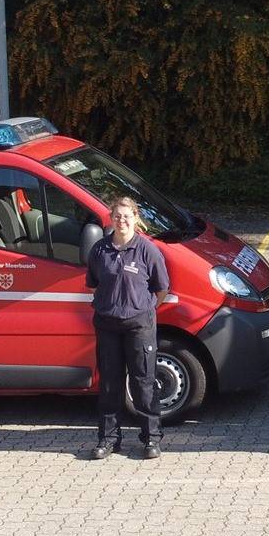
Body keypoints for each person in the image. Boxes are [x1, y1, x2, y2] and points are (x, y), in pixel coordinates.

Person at [85, 195, 172, 461]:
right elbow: (92, 284)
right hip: (107, 324)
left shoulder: (147, 250)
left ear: (136, 218)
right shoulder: (100, 250)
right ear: (111, 219)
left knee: (143, 383)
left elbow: (162, 288)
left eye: (127, 216)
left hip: (139, 326)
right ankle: (109, 439)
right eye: (117, 216)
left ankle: (151, 439)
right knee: (110, 384)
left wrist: (142, 309)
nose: (121, 221)